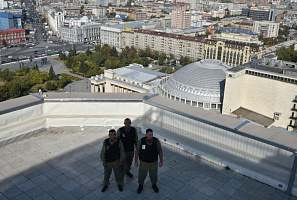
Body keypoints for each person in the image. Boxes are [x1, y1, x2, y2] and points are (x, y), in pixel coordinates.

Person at [135, 128, 163, 194]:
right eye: (149, 135)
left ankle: (154, 185)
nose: (151, 136)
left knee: (153, 174)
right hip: (144, 162)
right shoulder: (141, 141)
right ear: (146, 134)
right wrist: (136, 161)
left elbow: (160, 151)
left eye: (152, 134)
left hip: (153, 162)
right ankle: (140, 185)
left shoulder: (156, 141)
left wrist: (161, 161)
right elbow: (137, 151)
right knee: (142, 174)